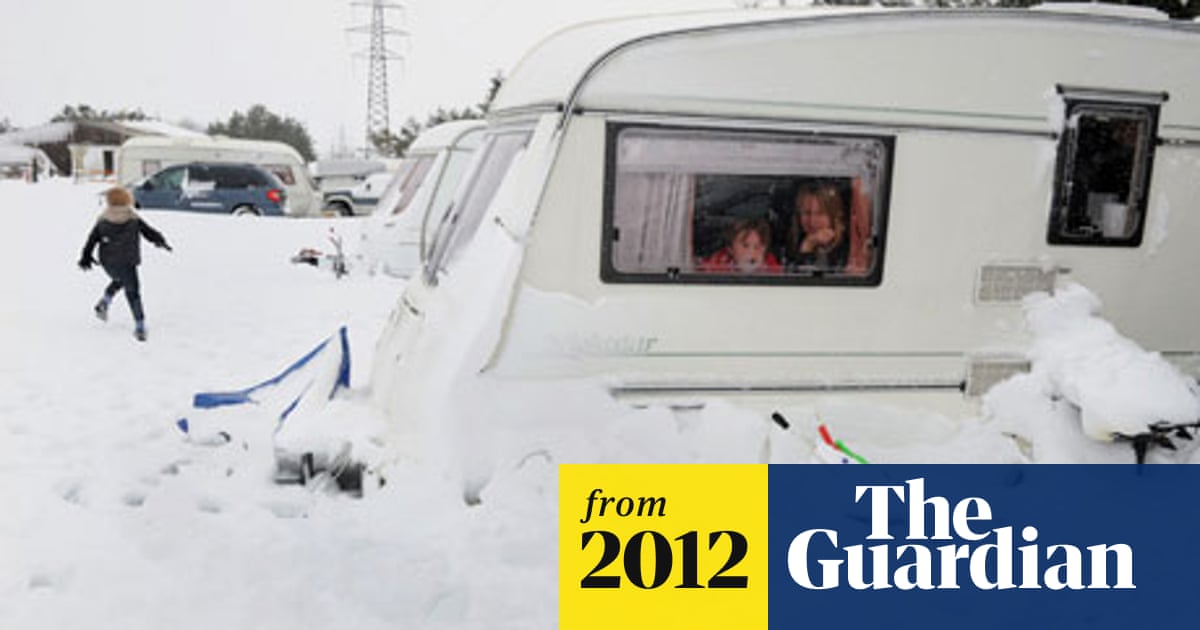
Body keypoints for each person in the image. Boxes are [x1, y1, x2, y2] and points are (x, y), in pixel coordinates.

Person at [78, 186, 172, 341]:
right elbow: (148, 232)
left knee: (120, 280)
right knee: (132, 291)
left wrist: (85, 256)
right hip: (127, 261)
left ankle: (103, 303)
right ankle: (140, 325)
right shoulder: (133, 218)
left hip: (109, 262)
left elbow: (91, 240)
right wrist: (160, 240)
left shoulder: (103, 219)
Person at [787, 183, 848, 270]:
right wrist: (807, 246)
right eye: (807, 213)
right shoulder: (792, 243)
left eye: (820, 213)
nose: (812, 221)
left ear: (832, 215)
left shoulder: (844, 249)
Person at [698, 217, 781, 273]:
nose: (752, 252)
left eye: (758, 247)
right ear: (730, 249)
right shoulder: (716, 266)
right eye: (745, 245)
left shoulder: (772, 270)